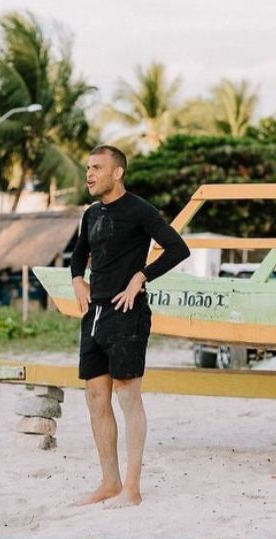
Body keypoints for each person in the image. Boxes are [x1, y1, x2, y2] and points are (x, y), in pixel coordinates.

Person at [70, 145, 189, 508]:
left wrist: (142, 275)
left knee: (127, 394)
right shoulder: (91, 214)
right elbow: (79, 254)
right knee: (95, 398)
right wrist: (77, 279)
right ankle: (109, 482)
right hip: (96, 314)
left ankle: (132, 489)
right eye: (88, 167)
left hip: (128, 313)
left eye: (97, 167)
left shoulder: (139, 209)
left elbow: (177, 248)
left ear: (117, 172)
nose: (89, 174)